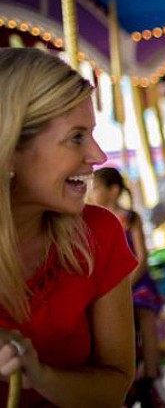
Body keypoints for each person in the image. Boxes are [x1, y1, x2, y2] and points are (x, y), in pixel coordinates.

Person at [0, 47, 137, 406]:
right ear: (11, 147)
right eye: (76, 137)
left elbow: (115, 384)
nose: (97, 156)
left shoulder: (99, 232)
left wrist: (40, 376)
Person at [91, 167, 165, 407]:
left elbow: (142, 257)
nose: (92, 193)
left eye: (96, 188)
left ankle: (150, 378)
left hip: (136, 281)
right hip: (110, 286)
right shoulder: (94, 222)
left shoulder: (130, 218)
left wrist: (124, 285)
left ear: (113, 191)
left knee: (144, 316)